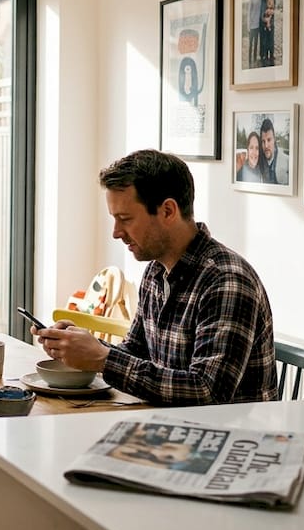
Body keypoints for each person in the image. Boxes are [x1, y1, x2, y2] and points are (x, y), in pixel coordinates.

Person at [32, 149, 277, 406]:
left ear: (168, 211)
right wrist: (82, 345)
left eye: (125, 219)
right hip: (165, 421)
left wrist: (102, 359)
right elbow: (136, 352)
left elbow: (206, 391)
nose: (116, 232)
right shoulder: (156, 271)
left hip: (225, 429)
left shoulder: (226, 282)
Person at [259, 117, 289, 185]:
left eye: (269, 140)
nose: (266, 146)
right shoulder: (258, 162)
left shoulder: (287, 161)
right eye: (263, 141)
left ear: (274, 140)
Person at [247, 0, 265, 68]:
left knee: (256, 44)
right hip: (252, 25)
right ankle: (250, 62)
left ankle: (254, 60)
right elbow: (249, 12)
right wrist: (248, 26)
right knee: (250, 44)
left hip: (259, 25)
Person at [259, 0, 276, 67]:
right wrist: (265, 18)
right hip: (264, 21)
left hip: (270, 21)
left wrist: (271, 12)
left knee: (271, 39)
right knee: (264, 40)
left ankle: (271, 55)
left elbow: (273, 8)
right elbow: (261, 10)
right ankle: (264, 56)